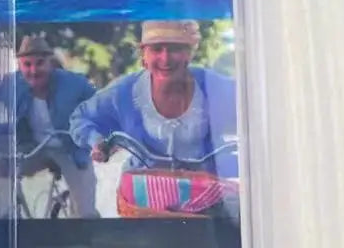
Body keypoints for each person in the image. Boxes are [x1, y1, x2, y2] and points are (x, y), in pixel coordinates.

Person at [69, 20, 237, 178]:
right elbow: (82, 117)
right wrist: (96, 141)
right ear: (144, 55)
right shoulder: (125, 92)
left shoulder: (211, 85)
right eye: (156, 49)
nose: (165, 58)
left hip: (204, 189)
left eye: (175, 49)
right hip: (144, 188)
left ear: (188, 53)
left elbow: (249, 101)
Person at [12, 34, 99, 218]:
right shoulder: (12, 85)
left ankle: (86, 229)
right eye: (27, 64)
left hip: (70, 149)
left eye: (40, 63)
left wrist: (97, 135)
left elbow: (101, 105)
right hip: (33, 149)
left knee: (85, 211)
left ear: (50, 63)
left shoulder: (74, 84)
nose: (33, 70)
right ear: (20, 65)